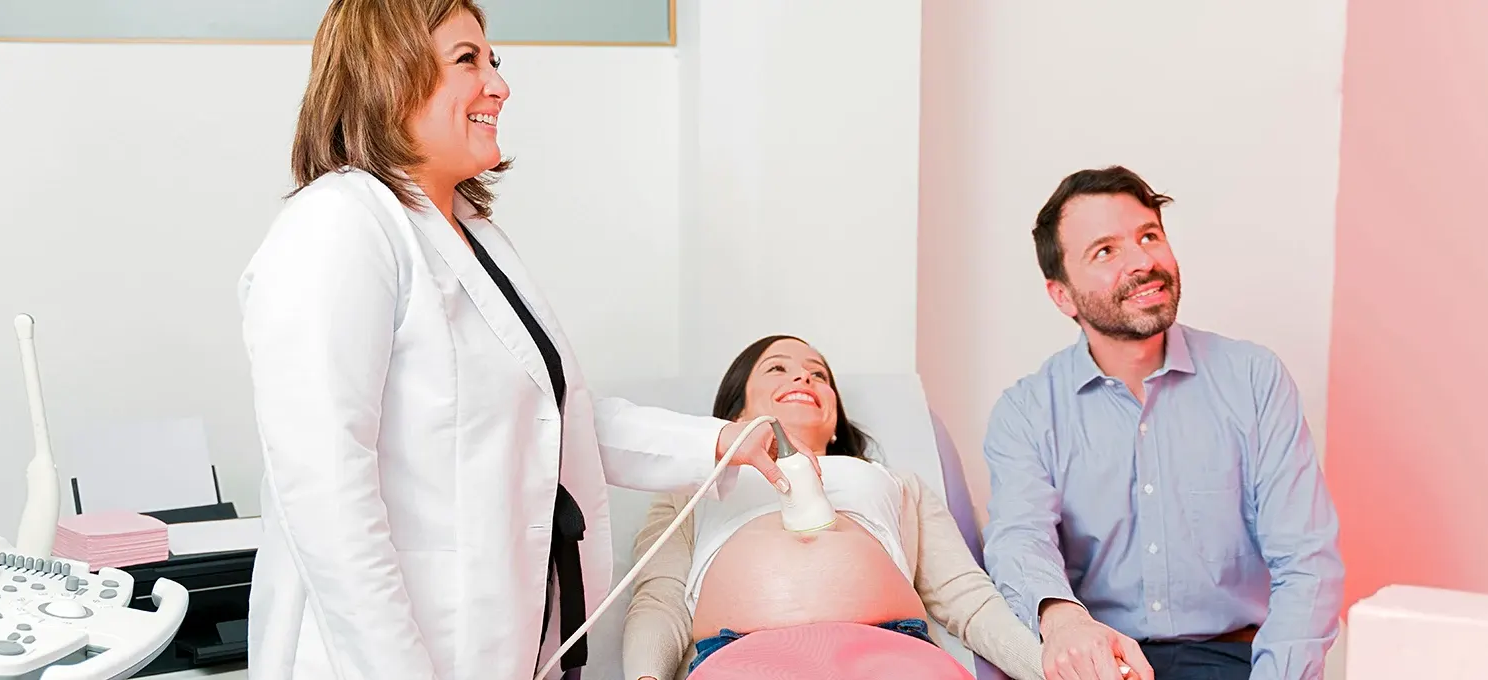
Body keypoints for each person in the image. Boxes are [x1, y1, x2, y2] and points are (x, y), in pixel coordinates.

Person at [236, 2, 801, 679]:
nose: (499, 85)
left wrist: (715, 441)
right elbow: (326, 498)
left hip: (501, 642)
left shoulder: (470, 237)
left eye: (493, 62)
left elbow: (548, 422)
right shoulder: (338, 226)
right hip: (387, 654)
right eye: (467, 60)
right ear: (387, 73)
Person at [979, 166, 1345, 680]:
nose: (1143, 261)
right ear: (1062, 295)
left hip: (1239, 659)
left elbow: (1307, 560)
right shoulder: (1026, 412)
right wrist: (1061, 620)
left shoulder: (1253, 378)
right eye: (1105, 251)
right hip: (1107, 660)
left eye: (1149, 236)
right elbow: (1020, 538)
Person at [623, 335, 1047, 680]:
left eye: (818, 375)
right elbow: (659, 602)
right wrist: (646, 677)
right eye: (778, 368)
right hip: (741, 659)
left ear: (835, 416)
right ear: (736, 409)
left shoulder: (895, 484)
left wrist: (1051, 669)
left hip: (894, 656)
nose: (804, 378)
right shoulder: (693, 487)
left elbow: (967, 599)